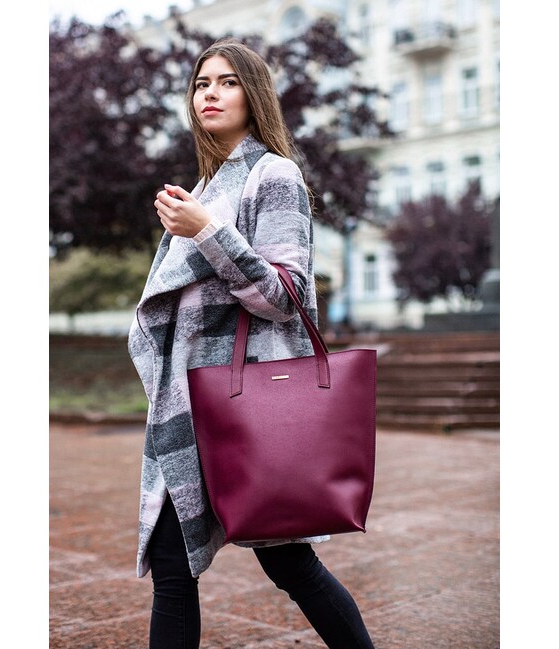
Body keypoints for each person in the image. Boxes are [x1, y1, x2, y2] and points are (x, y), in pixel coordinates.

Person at [128, 38, 376, 649]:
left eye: (227, 81)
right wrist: (198, 223)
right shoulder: (206, 186)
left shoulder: (274, 175)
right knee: (172, 568)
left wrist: (207, 231)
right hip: (188, 403)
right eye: (201, 83)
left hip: (247, 406)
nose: (209, 94)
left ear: (254, 94)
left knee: (291, 565)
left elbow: (285, 295)